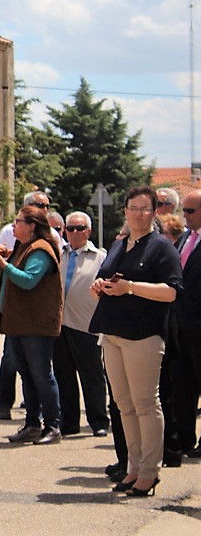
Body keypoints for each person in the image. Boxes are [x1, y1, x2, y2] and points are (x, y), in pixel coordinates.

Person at [89, 186, 181, 497]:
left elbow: (170, 292)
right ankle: (133, 466)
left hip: (143, 335)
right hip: (112, 332)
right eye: (133, 208)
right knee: (123, 405)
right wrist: (100, 285)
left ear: (155, 213)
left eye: (145, 208)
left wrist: (130, 288)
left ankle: (149, 472)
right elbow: (107, 276)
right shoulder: (119, 244)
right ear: (125, 211)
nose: (138, 213)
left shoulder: (161, 248)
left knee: (145, 403)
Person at [0, 206, 64, 447]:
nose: (13, 226)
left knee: (41, 374)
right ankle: (32, 424)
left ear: (31, 226)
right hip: (19, 322)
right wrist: (2, 260)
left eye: (18, 221)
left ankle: (52, 425)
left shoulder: (41, 250)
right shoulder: (23, 247)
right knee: (27, 375)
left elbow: (28, 281)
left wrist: (3, 264)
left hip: (36, 324)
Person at [54, 212, 109, 437]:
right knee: (64, 375)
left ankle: (99, 421)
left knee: (92, 375)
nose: (75, 232)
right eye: (70, 228)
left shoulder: (100, 257)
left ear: (89, 231)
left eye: (80, 228)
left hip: (87, 324)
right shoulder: (59, 254)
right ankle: (69, 422)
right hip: (60, 324)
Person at [172, 189, 201, 458]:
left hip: (199, 326)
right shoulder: (184, 239)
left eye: (190, 211)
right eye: (185, 211)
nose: (185, 216)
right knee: (182, 387)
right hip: (179, 326)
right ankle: (184, 439)